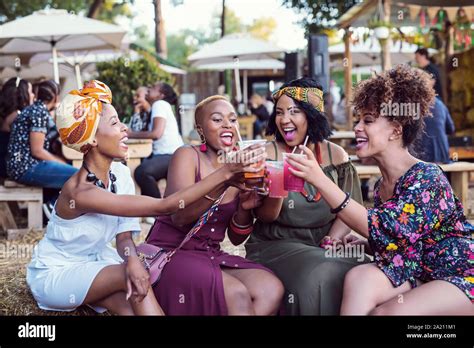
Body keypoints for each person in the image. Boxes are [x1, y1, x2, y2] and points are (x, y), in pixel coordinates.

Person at [26, 80, 265, 315]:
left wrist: (131, 260)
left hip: (98, 262)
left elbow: (124, 237)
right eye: (114, 123)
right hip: (58, 271)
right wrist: (226, 173)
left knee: (133, 295)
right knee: (129, 277)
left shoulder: (119, 173)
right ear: (93, 138)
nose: (124, 128)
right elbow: (165, 206)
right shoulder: (79, 191)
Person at [286, 65, 473, 315]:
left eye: (368, 120)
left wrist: (319, 178)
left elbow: (384, 227)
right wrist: (364, 245)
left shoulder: (427, 178)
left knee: (387, 314)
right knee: (360, 278)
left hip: (459, 276)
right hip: (417, 270)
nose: (358, 128)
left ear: (396, 129)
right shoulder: (381, 185)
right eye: (358, 120)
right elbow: (402, 240)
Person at [146, 95, 284, 315]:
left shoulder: (239, 168)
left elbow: (236, 238)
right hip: (172, 251)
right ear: (200, 130)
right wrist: (224, 179)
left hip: (209, 253)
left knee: (271, 288)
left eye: (232, 119)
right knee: (237, 294)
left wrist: (244, 209)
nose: (227, 124)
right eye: (218, 119)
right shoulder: (187, 155)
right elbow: (179, 216)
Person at [245, 77, 364, 315]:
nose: (284, 119)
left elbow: (348, 207)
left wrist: (332, 239)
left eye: (294, 112)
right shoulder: (264, 155)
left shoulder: (336, 155)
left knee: (363, 267)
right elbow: (265, 217)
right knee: (319, 271)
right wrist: (279, 185)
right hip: (276, 244)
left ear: (312, 115)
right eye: (279, 112)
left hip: (323, 243)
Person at [6, 80, 77, 189]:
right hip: (26, 168)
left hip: (17, 168)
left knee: (73, 175)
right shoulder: (39, 112)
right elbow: (37, 151)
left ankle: (53, 204)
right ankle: (54, 205)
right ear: (56, 97)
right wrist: (62, 163)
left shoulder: (33, 109)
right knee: (80, 176)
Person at [128, 82, 183, 198]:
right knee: (143, 169)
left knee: (141, 172)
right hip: (170, 154)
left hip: (171, 155)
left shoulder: (160, 104)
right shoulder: (157, 107)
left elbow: (156, 133)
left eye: (153, 88)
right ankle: (154, 209)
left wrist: (130, 134)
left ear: (161, 95)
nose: (149, 88)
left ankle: (157, 209)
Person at [0, 77, 35, 178]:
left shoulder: (8, 115)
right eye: (31, 91)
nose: (33, 95)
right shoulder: (18, 116)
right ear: (23, 94)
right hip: (8, 166)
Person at [418, 78, 455, 163]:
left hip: (421, 158)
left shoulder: (412, 106)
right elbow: (451, 129)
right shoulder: (440, 104)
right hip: (442, 157)